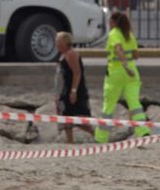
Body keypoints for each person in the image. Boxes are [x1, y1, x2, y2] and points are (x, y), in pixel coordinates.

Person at [97, 10, 151, 144]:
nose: (109, 24)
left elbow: (118, 49)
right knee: (134, 103)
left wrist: (124, 65)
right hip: (133, 72)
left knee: (108, 106)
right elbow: (136, 55)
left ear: (114, 22)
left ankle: (101, 138)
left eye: (110, 22)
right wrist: (128, 65)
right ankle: (142, 131)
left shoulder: (114, 34)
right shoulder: (129, 35)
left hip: (117, 71)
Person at [53, 32, 93, 144]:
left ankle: (97, 135)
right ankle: (70, 141)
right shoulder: (62, 55)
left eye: (58, 41)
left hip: (73, 89)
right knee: (66, 116)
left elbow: (77, 72)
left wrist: (74, 91)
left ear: (65, 42)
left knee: (79, 118)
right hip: (64, 90)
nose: (56, 43)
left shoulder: (71, 54)